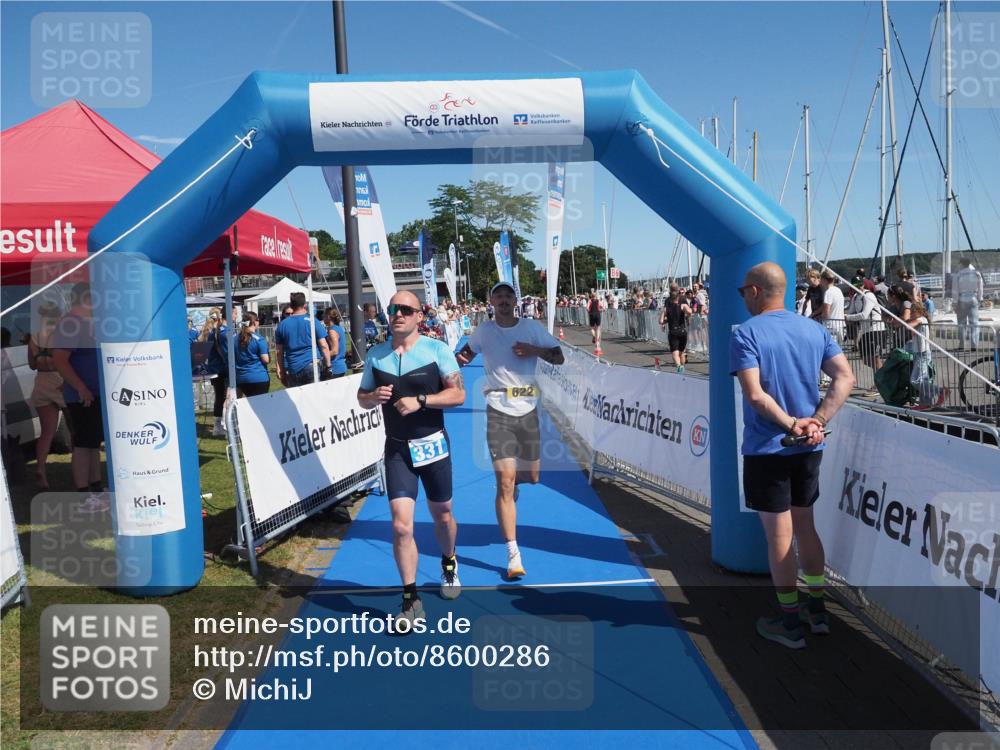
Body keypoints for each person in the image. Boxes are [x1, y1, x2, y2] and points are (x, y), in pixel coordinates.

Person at [730, 262, 854, 649]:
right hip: (808, 446)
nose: (742, 298)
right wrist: (815, 421)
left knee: (779, 536)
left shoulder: (746, 333)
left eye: (741, 292)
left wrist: (791, 425)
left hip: (771, 447)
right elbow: (845, 377)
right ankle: (817, 611)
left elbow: (755, 395)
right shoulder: (813, 329)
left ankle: (789, 622)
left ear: (754, 291)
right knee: (806, 527)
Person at [357, 291, 466, 625]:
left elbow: (458, 394)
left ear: (420, 316)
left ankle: (448, 561)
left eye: (406, 309)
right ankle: (410, 599)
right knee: (401, 526)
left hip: (432, 444)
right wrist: (372, 396)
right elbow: (361, 398)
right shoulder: (376, 356)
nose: (398, 314)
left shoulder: (437, 350)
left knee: (442, 515)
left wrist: (422, 399)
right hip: (397, 448)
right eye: (393, 309)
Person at [456, 281, 564, 580]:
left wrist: (534, 349)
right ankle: (513, 553)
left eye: (508, 295)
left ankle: (514, 484)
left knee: (531, 477)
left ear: (515, 300)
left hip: (528, 410)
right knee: (504, 480)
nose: (503, 300)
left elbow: (559, 356)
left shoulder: (531, 327)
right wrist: (445, 371)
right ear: (490, 302)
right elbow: (464, 356)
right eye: (498, 296)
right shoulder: (484, 331)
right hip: (498, 410)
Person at [50, 283, 107, 512]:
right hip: (82, 396)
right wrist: (81, 387)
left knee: (92, 443)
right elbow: (60, 359)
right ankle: (84, 496)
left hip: (92, 394)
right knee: (84, 444)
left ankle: (96, 490)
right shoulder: (70, 324)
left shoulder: (84, 324)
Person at [27, 302, 66, 489]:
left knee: (47, 433)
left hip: (41, 382)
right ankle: (79, 471)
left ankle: (41, 468)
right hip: (60, 382)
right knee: (75, 431)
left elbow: (32, 365)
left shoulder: (34, 338)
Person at [274, 292, 331, 387]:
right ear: (305, 304)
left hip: (293, 367)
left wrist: (281, 370)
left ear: (291, 305)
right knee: (314, 397)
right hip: (312, 364)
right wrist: (328, 365)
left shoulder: (282, 325)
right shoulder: (313, 321)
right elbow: (324, 345)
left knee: (298, 400)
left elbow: (279, 352)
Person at [844, 281, 886, 372]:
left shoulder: (869, 295)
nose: (858, 287)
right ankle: (883, 374)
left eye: (860, 285)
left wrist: (848, 317)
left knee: (876, 359)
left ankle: (880, 383)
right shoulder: (855, 297)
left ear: (863, 285)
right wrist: (847, 317)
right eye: (855, 286)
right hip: (865, 331)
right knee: (866, 360)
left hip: (876, 330)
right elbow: (851, 312)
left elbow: (864, 315)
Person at [199, 307, 227, 436]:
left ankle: (218, 425)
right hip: (220, 368)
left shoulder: (206, 333)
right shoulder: (215, 333)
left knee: (220, 397)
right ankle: (220, 425)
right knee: (223, 397)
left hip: (212, 368)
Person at [234, 312, 271, 397]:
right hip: (258, 378)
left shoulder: (234, 338)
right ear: (254, 322)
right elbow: (265, 359)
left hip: (241, 379)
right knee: (260, 408)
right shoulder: (259, 339)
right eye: (258, 320)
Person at [659, 283, 692, 373]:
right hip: (682, 331)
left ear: (670, 290)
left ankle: (680, 368)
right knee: (681, 353)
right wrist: (687, 315)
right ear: (678, 290)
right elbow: (689, 311)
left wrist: (663, 321)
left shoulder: (667, 302)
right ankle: (682, 368)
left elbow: (661, 320)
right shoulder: (683, 300)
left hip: (673, 331)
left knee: (675, 353)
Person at [953, 258, 984, 351]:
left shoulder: (958, 274)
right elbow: (980, 287)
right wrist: (980, 298)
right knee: (974, 323)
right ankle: (974, 345)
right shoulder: (976, 273)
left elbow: (955, 290)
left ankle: (962, 345)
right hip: (973, 298)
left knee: (961, 324)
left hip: (962, 299)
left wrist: (955, 303)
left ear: (962, 264)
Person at [819, 270, 846, 343]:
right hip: (840, 325)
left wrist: (820, 317)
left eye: (821, 279)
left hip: (830, 326)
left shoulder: (828, 292)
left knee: (830, 351)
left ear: (824, 280)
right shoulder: (838, 290)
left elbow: (826, 312)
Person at [325, 308, 348, 379]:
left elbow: (335, 351)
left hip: (335, 367)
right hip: (340, 366)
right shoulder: (339, 328)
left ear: (328, 317)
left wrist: (323, 356)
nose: (323, 318)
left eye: (324, 316)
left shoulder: (332, 331)